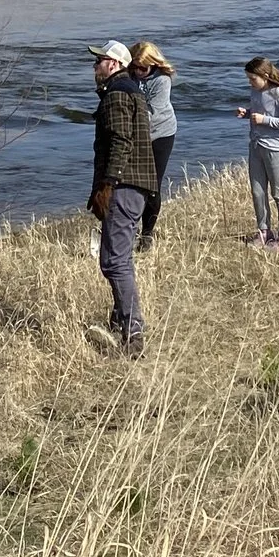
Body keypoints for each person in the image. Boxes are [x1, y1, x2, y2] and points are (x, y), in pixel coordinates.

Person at [86, 41, 157, 356]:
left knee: (114, 261)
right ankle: (120, 321)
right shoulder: (133, 90)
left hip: (124, 186)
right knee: (117, 260)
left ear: (113, 64)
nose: (95, 67)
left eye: (99, 61)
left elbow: (120, 140)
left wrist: (107, 184)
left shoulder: (116, 94)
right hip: (136, 185)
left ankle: (133, 333)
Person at [239, 57, 279, 246]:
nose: (250, 82)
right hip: (256, 145)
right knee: (258, 191)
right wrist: (247, 113)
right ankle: (264, 231)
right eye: (248, 79)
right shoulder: (255, 91)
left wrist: (264, 120)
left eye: (252, 79)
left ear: (265, 76)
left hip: (276, 148)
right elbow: (260, 112)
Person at [129, 43, 177, 246]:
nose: (138, 72)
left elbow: (152, 113)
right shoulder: (129, 75)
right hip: (135, 134)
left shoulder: (162, 80)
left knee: (152, 185)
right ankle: (129, 228)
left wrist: (126, 120)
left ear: (153, 64)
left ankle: (147, 233)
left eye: (143, 68)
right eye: (135, 67)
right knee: (131, 183)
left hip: (161, 134)